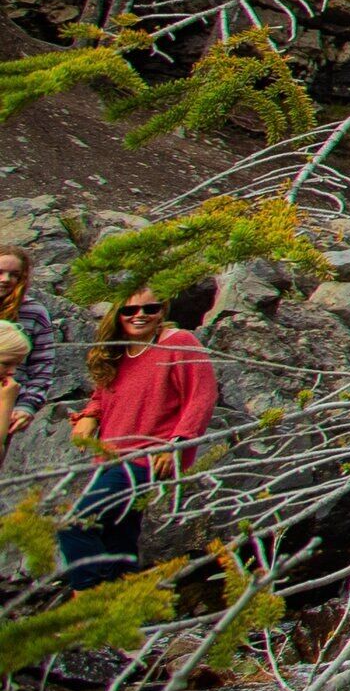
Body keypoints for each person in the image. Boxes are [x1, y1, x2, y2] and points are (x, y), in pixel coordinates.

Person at [60, 287, 215, 589]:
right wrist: (90, 415)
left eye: (150, 309)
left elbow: (202, 396)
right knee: (119, 537)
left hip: (147, 458)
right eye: (130, 310)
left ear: (162, 311)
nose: (140, 315)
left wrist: (177, 444)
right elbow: (102, 395)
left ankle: (91, 601)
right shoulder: (118, 352)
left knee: (74, 525)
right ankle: (127, 616)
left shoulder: (179, 343)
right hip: (109, 457)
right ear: (117, 315)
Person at [0, 246, 62, 455]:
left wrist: (27, 405)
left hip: (7, 402)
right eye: (0, 272)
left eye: (14, 275)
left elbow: (42, 368)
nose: (6, 279)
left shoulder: (34, 312)